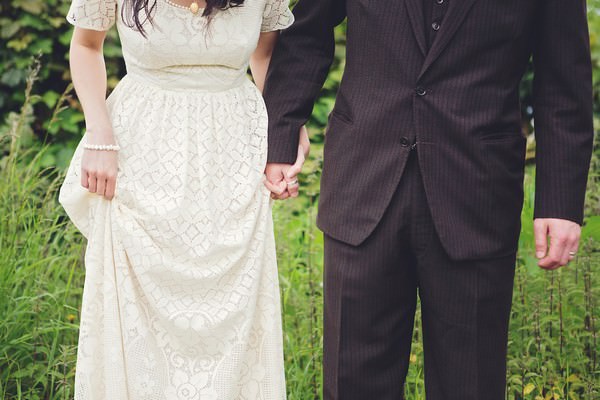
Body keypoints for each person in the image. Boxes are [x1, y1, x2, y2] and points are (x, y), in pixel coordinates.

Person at [262, 0, 594, 399]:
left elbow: (564, 81)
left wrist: (560, 202)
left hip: (477, 194)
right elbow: (306, 33)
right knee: (354, 384)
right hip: (363, 185)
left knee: (470, 385)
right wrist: (279, 138)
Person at [58, 0, 306, 397]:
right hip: (140, 151)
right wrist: (99, 135)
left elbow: (267, 53)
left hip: (233, 151)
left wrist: (285, 127)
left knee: (234, 311)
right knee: (136, 313)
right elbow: (86, 45)